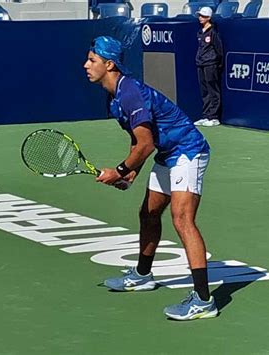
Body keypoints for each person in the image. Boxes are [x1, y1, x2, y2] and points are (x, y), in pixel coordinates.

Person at [84, 36, 218, 321]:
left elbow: (145, 145)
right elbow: (140, 141)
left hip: (188, 151)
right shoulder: (114, 98)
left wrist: (119, 171)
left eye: (92, 60)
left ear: (109, 65)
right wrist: (132, 171)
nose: (86, 65)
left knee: (182, 219)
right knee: (149, 213)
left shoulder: (129, 93)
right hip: (168, 153)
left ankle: (204, 300)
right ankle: (143, 275)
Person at [194, 7, 223, 127]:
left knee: (212, 90)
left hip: (211, 64)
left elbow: (219, 50)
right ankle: (206, 115)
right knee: (204, 91)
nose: (200, 18)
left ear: (209, 18)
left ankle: (214, 117)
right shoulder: (200, 32)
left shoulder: (213, 32)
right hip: (200, 64)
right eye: (199, 15)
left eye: (202, 16)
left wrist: (217, 63)